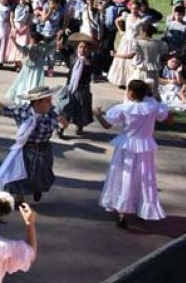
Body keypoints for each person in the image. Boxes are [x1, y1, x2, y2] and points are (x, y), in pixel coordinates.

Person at [94, 80, 170, 229]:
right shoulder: (153, 106)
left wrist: (98, 114)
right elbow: (165, 117)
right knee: (145, 177)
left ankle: (123, 212)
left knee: (124, 176)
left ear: (130, 93)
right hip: (145, 146)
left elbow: (107, 124)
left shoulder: (124, 108)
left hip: (126, 146)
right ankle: (143, 208)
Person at [0, 86, 68, 203]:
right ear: (37, 102)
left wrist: (63, 122)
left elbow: (62, 125)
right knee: (19, 174)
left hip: (43, 150)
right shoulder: (23, 111)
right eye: (47, 101)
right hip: (25, 149)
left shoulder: (51, 113)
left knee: (40, 176)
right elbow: (4, 111)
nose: (50, 103)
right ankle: (19, 198)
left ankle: (37, 189)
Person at [56, 37, 95, 137]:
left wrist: (88, 64)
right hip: (70, 87)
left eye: (86, 48)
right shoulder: (73, 57)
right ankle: (60, 129)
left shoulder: (90, 61)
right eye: (81, 47)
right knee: (65, 108)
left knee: (82, 109)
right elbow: (65, 54)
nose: (83, 49)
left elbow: (95, 69)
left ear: (89, 50)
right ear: (77, 48)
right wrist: (60, 47)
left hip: (82, 89)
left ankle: (79, 127)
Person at [4, 32, 52, 105]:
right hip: (36, 68)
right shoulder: (43, 47)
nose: (30, 39)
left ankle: (28, 97)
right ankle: (33, 97)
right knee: (33, 83)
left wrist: (14, 41)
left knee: (25, 82)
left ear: (33, 39)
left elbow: (21, 49)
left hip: (31, 68)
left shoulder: (31, 47)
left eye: (31, 38)